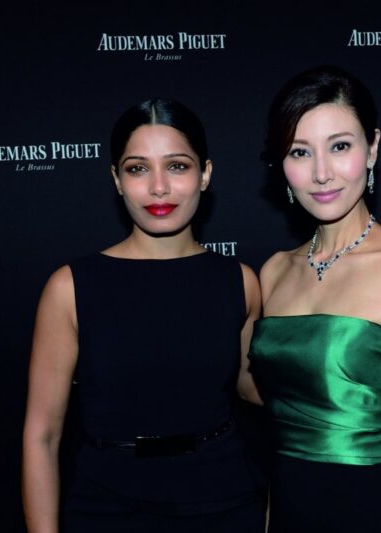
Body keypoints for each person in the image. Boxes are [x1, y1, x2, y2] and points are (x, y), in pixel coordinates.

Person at [22, 98, 265, 532]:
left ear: (205, 173)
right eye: (137, 169)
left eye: (177, 166)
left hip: (224, 503)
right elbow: (42, 436)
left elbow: (255, 389)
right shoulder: (70, 287)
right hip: (105, 507)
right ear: (117, 180)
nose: (158, 188)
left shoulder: (240, 281)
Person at [245, 66, 381, 532]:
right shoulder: (275, 271)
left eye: (340, 146)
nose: (322, 173)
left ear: (373, 148)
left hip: (377, 509)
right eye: (300, 152)